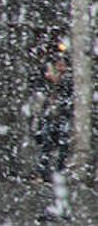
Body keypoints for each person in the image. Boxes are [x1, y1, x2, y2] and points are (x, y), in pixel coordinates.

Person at [32, 44, 73, 181]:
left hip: (61, 116)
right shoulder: (46, 81)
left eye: (63, 65)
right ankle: (44, 173)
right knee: (46, 144)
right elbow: (40, 92)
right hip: (49, 115)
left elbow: (68, 96)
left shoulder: (66, 80)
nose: (61, 68)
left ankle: (58, 172)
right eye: (59, 65)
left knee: (62, 145)